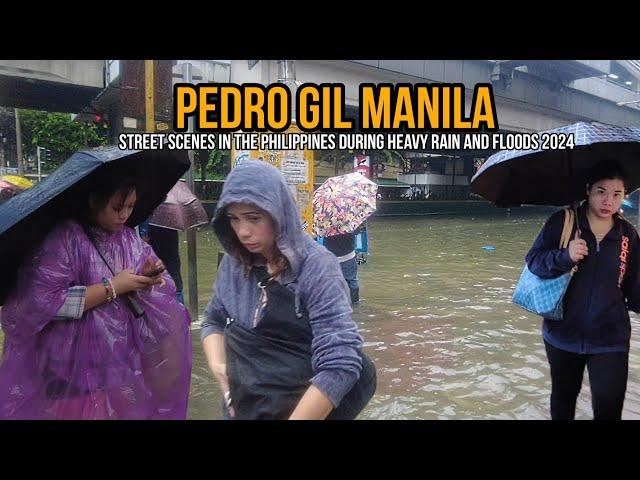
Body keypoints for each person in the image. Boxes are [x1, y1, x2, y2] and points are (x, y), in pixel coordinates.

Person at [0, 165, 192, 419]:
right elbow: (40, 305)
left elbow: (165, 289)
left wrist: (148, 279)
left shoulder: (129, 240)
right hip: (66, 370)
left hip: (116, 364)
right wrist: (112, 287)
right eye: (116, 207)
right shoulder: (64, 239)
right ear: (94, 201)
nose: (124, 215)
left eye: (131, 207)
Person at [201, 160, 376, 420]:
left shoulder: (317, 267)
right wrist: (221, 370)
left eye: (254, 218)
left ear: (278, 213)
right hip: (246, 404)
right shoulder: (234, 262)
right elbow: (213, 319)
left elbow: (340, 362)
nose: (243, 232)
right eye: (234, 219)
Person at [525, 160, 640, 420]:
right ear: (588, 190)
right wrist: (565, 256)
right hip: (562, 334)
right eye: (601, 191)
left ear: (624, 196)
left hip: (610, 338)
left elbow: (634, 288)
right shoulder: (563, 222)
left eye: (617, 194)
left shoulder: (627, 235)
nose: (608, 201)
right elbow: (534, 261)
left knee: (609, 408)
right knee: (563, 401)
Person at [139, 219, 184, 305]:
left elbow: (144, 237)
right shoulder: (171, 215)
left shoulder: (151, 215)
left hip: (157, 236)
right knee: (174, 275)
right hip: (168, 235)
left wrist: (144, 234)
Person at [324, 229, 360, 304]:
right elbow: (357, 232)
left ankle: (335, 303)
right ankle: (355, 302)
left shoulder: (326, 225)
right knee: (352, 280)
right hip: (348, 256)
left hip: (331, 258)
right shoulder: (348, 222)